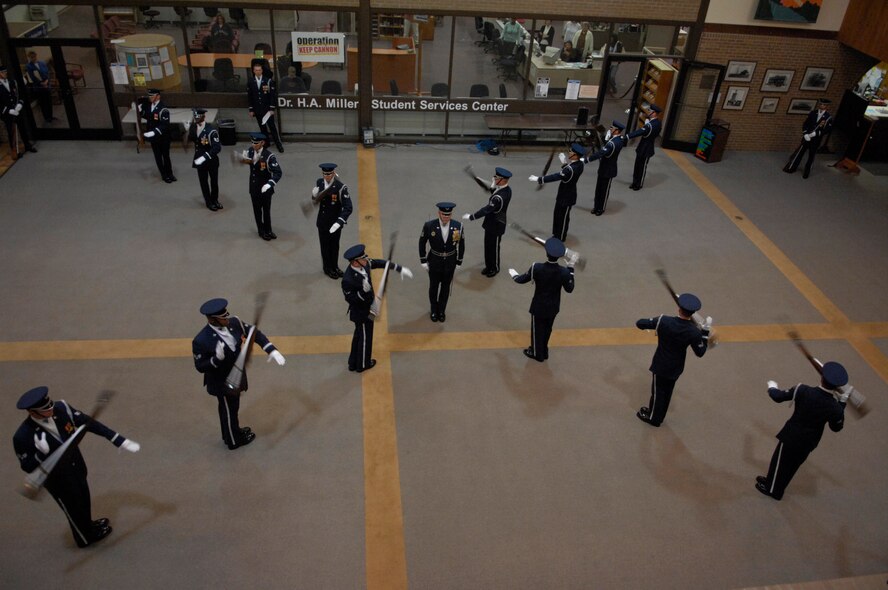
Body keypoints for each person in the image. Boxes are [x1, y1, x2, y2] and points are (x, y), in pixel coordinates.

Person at [12, 386, 140, 548]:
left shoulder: (61, 408)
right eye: (45, 409)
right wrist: (41, 454)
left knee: (83, 499)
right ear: (33, 412)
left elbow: (88, 423)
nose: (51, 409)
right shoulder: (23, 436)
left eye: (50, 405)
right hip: (57, 480)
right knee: (73, 508)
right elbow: (27, 466)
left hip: (76, 467)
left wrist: (118, 440)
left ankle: (88, 525)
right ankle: (84, 538)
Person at [191, 298, 285, 450]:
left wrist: (271, 350)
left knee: (232, 408)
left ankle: (231, 432)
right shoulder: (201, 340)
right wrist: (216, 359)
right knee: (228, 410)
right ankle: (233, 440)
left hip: (236, 375)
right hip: (221, 381)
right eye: (223, 318)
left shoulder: (235, 323)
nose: (227, 319)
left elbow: (255, 333)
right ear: (212, 319)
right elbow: (200, 366)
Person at [756, 362, 848, 501]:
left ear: (822, 378)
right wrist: (842, 404)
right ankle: (772, 481)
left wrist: (772, 387)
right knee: (792, 465)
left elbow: (778, 397)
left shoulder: (803, 390)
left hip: (792, 435)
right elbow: (836, 428)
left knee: (779, 461)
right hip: (809, 441)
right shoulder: (834, 407)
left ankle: (773, 490)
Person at [635, 293, 712, 427]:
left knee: (658, 392)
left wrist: (651, 322)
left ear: (679, 308)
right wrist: (704, 333)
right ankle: (659, 415)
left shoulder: (664, 321)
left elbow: (640, 323)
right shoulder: (693, 332)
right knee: (667, 392)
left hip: (660, 364)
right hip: (676, 367)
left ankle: (654, 418)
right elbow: (700, 352)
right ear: (693, 312)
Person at [341, 244, 413, 372]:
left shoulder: (364, 264)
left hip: (370, 306)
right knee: (365, 338)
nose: (366, 259)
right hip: (361, 313)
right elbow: (351, 299)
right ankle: (363, 364)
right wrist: (363, 292)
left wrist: (398, 268)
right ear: (355, 262)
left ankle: (353, 362)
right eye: (363, 258)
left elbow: (379, 263)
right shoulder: (348, 279)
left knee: (359, 335)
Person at [509, 237, 575, 362]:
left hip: (539, 305)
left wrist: (514, 275)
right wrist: (571, 269)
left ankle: (536, 353)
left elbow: (521, 280)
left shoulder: (537, 267)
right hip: (554, 306)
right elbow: (570, 288)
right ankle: (544, 350)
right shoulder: (564, 272)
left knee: (537, 330)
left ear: (546, 253)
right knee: (547, 329)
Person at [529, 142, 586, 242]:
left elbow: (556, 176)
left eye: (571, 151)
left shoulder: (570, 169)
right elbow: (568, 172)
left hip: (567, 196)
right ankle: (556, 234)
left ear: (575, 155)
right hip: (564, 194)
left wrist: (539, 179)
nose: (569, 152)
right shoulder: (579, 164)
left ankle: (560, 237)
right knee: (557, 215)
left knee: (563, 218)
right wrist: (564, 164)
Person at [419, 202, 465, 322]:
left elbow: (462, 244)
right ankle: (434, 310)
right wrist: (423, 259)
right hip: (434, 261)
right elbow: (422, 242)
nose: (446, 217)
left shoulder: (458, 226)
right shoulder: (429, 225)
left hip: (450, 262)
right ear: (439, 213)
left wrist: (459, 260)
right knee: (433, 287)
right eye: (444, 215)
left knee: (445, 288)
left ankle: (441, 311)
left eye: (448, 215)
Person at [462, 167, 512, 277]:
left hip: (497, 225)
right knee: (488, 246)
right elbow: (491, 189)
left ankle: (495, 268)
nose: (494, 178)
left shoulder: (499, 197)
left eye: (496, 177)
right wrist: (480, 181)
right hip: (491, 223)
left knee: (494, 248)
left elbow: (486, 209)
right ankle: (489, 266)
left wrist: (472, 216)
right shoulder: (505, 189)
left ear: (502, 180)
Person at [313, 162, 353, 279]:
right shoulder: (319, 183)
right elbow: (317, 200)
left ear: (334, 173)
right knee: (325, 246)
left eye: (329, 174)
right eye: (325, 174)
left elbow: (348, 207)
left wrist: (339, 222)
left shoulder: (340, 187)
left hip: (334, 223)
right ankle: (327, 268)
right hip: (322, 222)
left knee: (334, 246)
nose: (327, 176)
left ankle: (335, 267)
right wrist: (314, 195)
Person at [240, 132, 282, 241]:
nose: (254, 145)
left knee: (266, 211)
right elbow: (247, 161)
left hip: (265, 189)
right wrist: (241, 158)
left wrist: (270, 184)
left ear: (262, 143)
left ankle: (268, 230)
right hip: (254, 188)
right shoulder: (250, 151)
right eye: (253, 142)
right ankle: (261, 230)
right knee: (257, 211)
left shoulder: (269, 156)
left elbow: (278, 172)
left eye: (256, 143)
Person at [583, 120, 626, 215]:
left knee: (604, 191)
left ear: (617, 131)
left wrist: (586, 160)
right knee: (598, 189)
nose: (610, 129)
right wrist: (604, 138)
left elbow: (601, 153)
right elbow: (607, 146)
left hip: (608, 169)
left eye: (612, 128)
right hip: (604, 167)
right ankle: (596, 206)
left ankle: (600, 208)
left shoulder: (614, 143)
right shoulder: (615, 140)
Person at [783, 98, 832, 179]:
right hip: (807, 137)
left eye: (823, 105)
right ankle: (791, 167)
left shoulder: (828, 117)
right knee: (799, 153)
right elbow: (805, 124)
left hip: (816, 140)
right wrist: (805, 133)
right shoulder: (813, 113)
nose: (821, 106)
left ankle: (807, 171)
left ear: (827, 107)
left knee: (811, 156)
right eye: (821, 104)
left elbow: (827, 130)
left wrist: (816, 133)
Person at [187, 108, 223, 211]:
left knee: (214, 182)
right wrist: (188, 130)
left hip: (211, 161)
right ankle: (208, 202)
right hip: (199, 160)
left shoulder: (211, 131)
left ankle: (215, 200)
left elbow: (217, 147)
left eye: (198, 117)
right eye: (195, 117)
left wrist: (205, 157)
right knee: (203, 182)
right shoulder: (193, 127)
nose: (196, 119)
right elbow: (193, 139)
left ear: (203, 117)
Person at [0, 63, 38, 155]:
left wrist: (20, 104)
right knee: (11, 132)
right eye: (3, 72)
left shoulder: (12, 82)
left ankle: (27, 145)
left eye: (5, 72)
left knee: (23, 128)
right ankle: (15, 150)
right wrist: (8, 110)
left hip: (17, 111)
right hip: (8, 113)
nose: (5, 73)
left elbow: (20, 93)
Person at [139, 88, 174, 183]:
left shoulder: (163, 109)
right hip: (154, 138)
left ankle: (170, 173)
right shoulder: (148, 106)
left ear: (158, 96)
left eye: (152, 96)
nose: (150, 98)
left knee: (166, 156)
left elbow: (164, 125)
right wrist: (140, 110)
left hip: (163, 137)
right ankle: (164, 175)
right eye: (149, 96)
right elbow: (147, 116)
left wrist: (154, 132)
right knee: (158, 156)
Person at [247, 61, 284, 152]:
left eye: (259, 70)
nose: (258, 72)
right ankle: (266, 142)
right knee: (262, 128)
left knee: (272, 127)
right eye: (256, 70)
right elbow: (250, 97)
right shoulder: (251, 82)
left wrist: (272, 108)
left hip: (267, 110)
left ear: (262, 70)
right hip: (257, 109)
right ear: (253, 71)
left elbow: (272, 96)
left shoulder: (268, 81)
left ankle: (278, 144)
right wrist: (251, 110)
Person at [626, 104, 662, 191]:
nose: (649, 112)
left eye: (650, 111)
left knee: (642, 167)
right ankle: (634, 182)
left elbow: (639, 132)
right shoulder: (656, 123)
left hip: (647, 148)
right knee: (637, 165)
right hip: (643, 146)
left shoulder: (651, 125)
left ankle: (639, 184)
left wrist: (627, 137)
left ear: (654, 113)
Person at [25, 51, 54, 123]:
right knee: (43, 103)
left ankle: (51, 116)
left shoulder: (42, 63)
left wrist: (47, 81)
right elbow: (33, 77)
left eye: (34, 57)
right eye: (31, 57)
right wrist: (41, 83)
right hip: (39, 87)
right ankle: (46, 117)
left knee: (49, 102)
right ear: (29, 58)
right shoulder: (29, 66)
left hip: (46, 84)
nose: (33, 58)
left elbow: (47, 72)